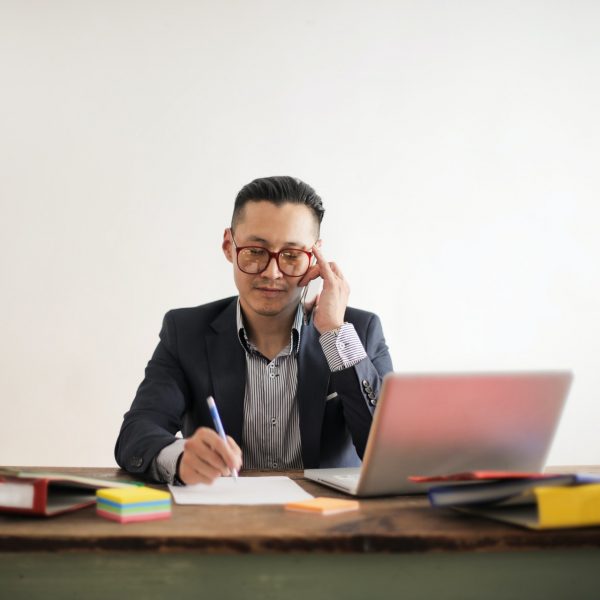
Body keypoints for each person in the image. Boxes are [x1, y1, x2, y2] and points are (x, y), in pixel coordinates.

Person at [115, 176, 393, 485]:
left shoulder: (360, 332)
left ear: (315, 257)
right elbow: (137, 432)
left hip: (327, 523)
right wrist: (179, 457)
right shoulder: (185, 332)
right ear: (228, 246)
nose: (272, 273)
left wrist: (335, 334)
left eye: (291, 255)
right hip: (227, 521)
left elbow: (390, 454)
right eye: (255, 251)